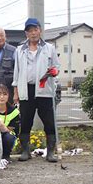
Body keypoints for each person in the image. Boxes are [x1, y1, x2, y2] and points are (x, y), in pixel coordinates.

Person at [12, 18, 61, 163]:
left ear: (40, 30)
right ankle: (26, 151)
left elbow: (56, 67)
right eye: (30, 31)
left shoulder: (49, 48)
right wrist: (16, 92)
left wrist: (54, 71)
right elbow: (17, 72)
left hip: (45, 89)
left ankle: (51, 152)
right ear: (26, 33)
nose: (33, 33)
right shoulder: (19, 50)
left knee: (49, 121)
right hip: (26, 89)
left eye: (35, 30)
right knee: (26, 121)